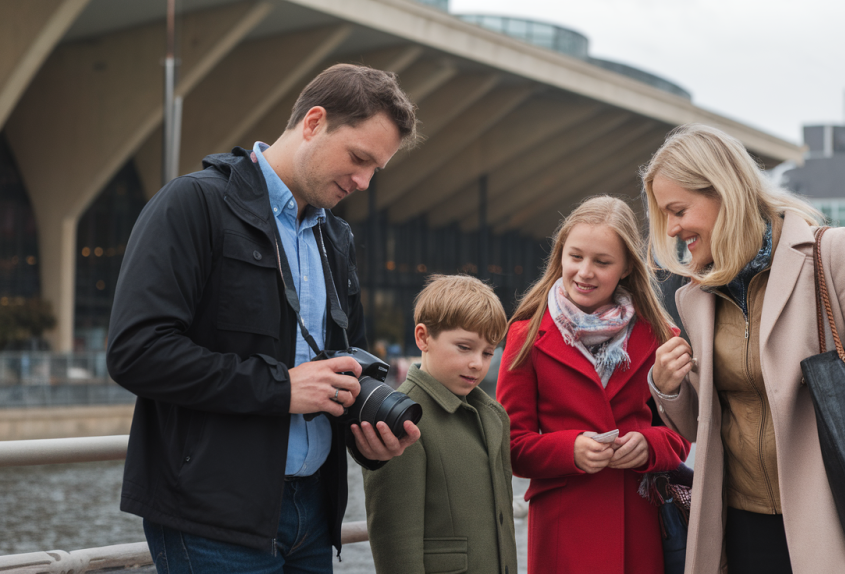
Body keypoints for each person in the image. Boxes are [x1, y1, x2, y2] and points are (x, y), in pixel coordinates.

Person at [106, 64, 422, 573]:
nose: (364, 182)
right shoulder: (193, 204)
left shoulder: (337, 240)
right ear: (314, 122)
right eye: (359, 158)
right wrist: (282, 389)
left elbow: (346, 369)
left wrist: (370, 438)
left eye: (376, 170)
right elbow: (135, 352)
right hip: (212, 517)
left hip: (315, 516)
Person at [644, 124, 845, 574]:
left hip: (835, 519)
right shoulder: (692, 296)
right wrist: (667, 387)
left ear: (723, 191)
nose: (674, 229)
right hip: (738, 523)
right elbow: (702, 426)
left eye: (678, 210)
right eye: (666, 216)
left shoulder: (828, 255)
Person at [496, 195, 691, 574]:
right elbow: (510, 445)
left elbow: (681, 436)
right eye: (575, 257)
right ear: (560, 257)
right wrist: (570, 450)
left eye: (602, 262)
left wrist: (648, 445)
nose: (584, 272)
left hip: (640, 525)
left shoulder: (661, 337)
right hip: (561, 528)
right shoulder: (525, 335)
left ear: (626, 269)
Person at [363, 274, 517, 574]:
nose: (478, 363)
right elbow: (395, 542)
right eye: (464, 347)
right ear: (423, 338)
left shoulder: (493, 416)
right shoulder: (401, 419)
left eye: (488, 352)